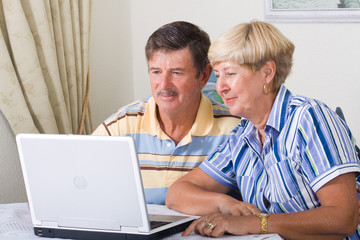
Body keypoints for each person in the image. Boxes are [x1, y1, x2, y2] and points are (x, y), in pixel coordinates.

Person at [166, 20, 360, 239]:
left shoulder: (310, 118)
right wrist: (224, 203)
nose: (220, 87)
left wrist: (256, 223)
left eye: (230, 73)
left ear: (267, 73)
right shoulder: (242, 135)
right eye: (218, 75)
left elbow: (343, 219)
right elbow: (177, 194)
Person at [92, 21, 241, 205]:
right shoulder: (121, 126)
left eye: (176, 73)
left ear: (203, 76)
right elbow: (80, 179)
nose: (163, 85)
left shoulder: (236, 130)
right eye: (156, 72)